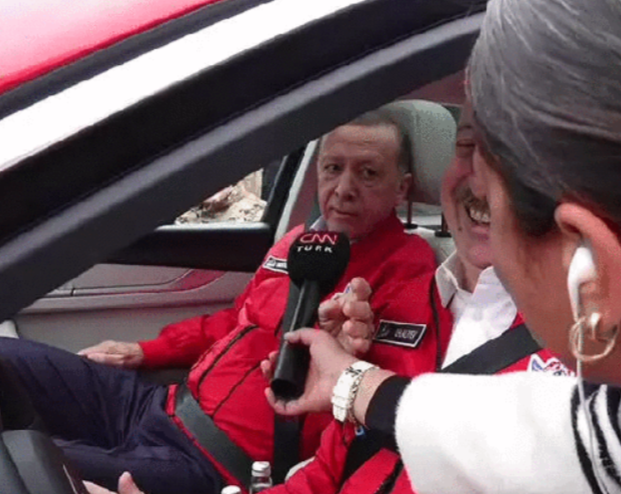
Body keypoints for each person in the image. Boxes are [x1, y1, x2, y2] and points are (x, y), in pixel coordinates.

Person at [260, 0, 621, 492]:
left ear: (592, 276)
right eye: (464, 148)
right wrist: (349, 380)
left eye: (492, 185)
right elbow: (540, 437)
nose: (476, 195)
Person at [82, 99, 574, 494]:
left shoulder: (582, 354)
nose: (484, 180)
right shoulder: (402, 304)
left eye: (513, 155)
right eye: (467, 147)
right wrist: (148, 350)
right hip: (169, 406)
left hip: (209, 454)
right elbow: (327, 471)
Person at [0, 105, 447, 494]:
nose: (344, 187)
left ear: (402, 188)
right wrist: (145, 351)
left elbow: (388, 410)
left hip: (210, 462)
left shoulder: (410, 271)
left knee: (17, 463)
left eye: (368, 173)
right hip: (158, 404)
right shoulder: (299, 243)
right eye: (333, 168)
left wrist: (353, 356)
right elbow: (235, 320)